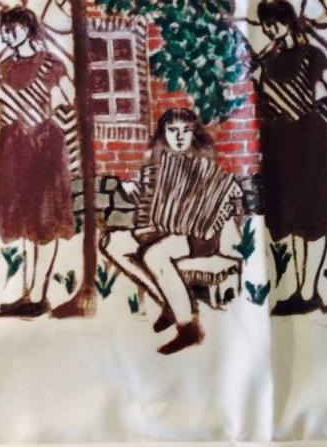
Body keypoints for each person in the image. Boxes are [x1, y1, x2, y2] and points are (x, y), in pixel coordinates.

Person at [101, 108, 243, 355]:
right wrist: (131, 186)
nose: (179, 137)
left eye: (186, 131)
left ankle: (188, 329)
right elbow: (149, 198)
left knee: (154, 255)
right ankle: (169, 302)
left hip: (199, 236)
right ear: (163, 133)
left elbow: (213, 205)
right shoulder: (157, 162)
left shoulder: (203, 163)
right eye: (173, 130)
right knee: (112, 242)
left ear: (194, 134)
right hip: (164, 230)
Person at [0, 6, 75, 318]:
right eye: (4, 31)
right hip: (15, 149)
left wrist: (54, 107)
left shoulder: (49, 64)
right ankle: (31, 294)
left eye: (12, 29)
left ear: (28, 29)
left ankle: (39, 296)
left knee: (45, 219)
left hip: (43, 145)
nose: (7, 36)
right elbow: (3, 102)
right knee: (28, 220)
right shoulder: (3, 68)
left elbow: (68, 99)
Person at [253, 0, 327, 315]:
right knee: (292, 216)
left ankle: (310, 290)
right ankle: (300, 290)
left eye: (276, 22)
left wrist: (321, 104)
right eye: (266, 24)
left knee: (314, 214)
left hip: (310, 137)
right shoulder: (267, 61)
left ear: (289, 21)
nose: (271, 29)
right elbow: (262, 99)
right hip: (280, 141)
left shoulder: (311, 55)